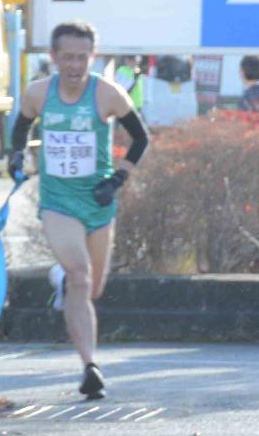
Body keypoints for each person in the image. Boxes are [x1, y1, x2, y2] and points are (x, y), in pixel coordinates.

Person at [9, 21, 152, 400]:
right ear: (54, 57)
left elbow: (141, 138)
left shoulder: (107, 94)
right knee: (81, 276)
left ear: (93, 57)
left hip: (98, 201)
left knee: (94, 288)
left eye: (82, 58)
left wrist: (118, 179)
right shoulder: (39, 93)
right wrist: (16, 156)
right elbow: (20, 128)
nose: (74, 66)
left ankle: (61, 280)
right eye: (67, 58)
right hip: (58, 202)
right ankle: (90, 367)